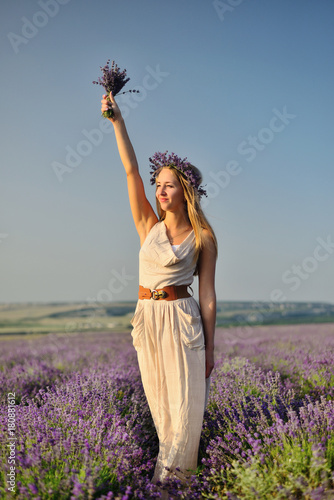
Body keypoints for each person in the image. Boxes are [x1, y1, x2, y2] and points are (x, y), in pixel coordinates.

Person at [101, 92, 217, 490]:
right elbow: (131, 171)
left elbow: (208, 296)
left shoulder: (203, 237)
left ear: (185, 191)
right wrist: (118, 121)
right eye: (159, 185)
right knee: (164, 413)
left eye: (170, 185)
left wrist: (211, 350)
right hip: (147, 321)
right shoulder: (147, 225)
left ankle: (175, 488)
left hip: (183, 322)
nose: (161, 191)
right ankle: (172, 486)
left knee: (185, 413)